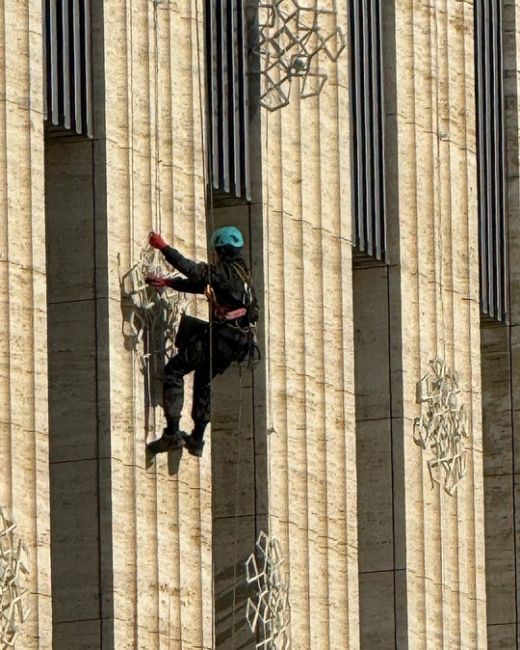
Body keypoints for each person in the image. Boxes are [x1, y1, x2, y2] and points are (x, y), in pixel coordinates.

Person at [145, 226, 258, 457]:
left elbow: (194, 271)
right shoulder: (242, 274)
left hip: (220, 339)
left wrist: (163, 246)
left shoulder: (226, 271)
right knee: (204, 377)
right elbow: (202, 285)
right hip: (235, 344)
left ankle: (172, 433)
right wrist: (169, 283)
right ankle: (197, 439)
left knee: (174, 371)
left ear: (222, 250)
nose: (214, 255)